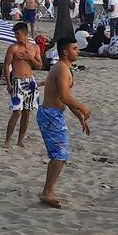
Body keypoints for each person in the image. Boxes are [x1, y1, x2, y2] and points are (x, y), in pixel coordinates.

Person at [37, 37, 90, 208]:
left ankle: (48, 190)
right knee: (60, 154)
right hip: (51, 115)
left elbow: (64, 99)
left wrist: (79, 116)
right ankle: (46, 192)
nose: (77, 51)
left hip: (54, 114)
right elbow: (65, 96)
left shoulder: (65, 68)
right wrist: (83, 107)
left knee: (59, 155)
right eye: (74, 48)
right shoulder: (61, 69)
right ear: (65, 52)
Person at [3, 22, 43, 148]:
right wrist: (8, 83)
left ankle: (20, 140)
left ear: (25, 34)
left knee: (27, 112)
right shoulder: (13, 48)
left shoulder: (35, 47)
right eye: (15, 34)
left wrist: (30, 58)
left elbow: (40, 66)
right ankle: (7, 141)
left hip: (30, 82)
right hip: (17, 81)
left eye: (18, 34)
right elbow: (6, 65)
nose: (16, 36)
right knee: (16, 112)